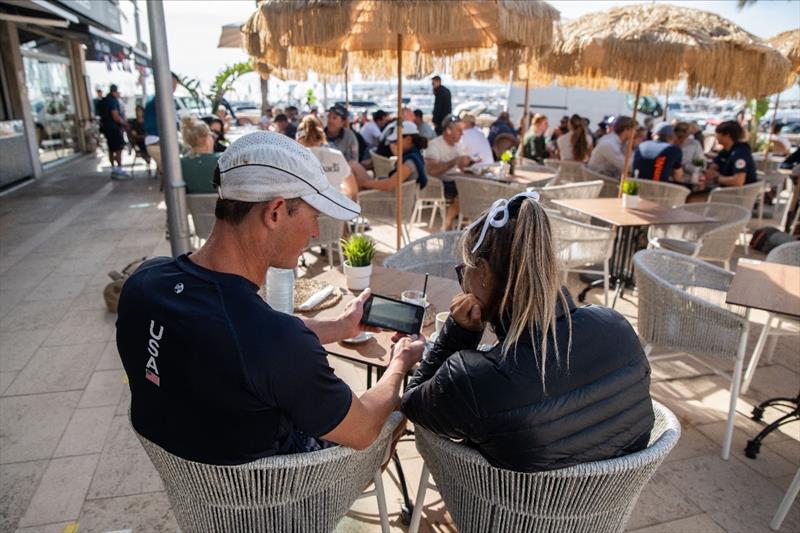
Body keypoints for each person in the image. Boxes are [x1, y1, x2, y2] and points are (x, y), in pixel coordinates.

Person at [116, 130, 425, 465]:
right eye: (314, 217)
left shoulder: (143, 285)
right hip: (276, 500)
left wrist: (339, 327)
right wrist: (399, 363)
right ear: (275, 211)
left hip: (192, 488)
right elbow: (363, 428)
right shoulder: (275, 342)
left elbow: (251, 337)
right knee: (393, 411)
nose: (315, 233)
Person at [400, 192, 654, 472]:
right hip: (607, 509)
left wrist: (458, 333)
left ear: (483, 272)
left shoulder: (471, 379)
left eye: (464, 272)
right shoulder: (617, 328)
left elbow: (413, 401)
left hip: (510, 512)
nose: (463, 285)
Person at [355, 120, 429, 195]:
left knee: (354, 167)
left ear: (408, 139)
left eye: (396, 141)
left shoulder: (409, 162)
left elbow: (389, 185)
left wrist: (364, 183)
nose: (394, 144)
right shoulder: (415, 156)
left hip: (393, 202)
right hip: (397, 198)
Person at [425, 115, 471, 230]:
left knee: (474, 189)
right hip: (438, 184)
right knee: (466, 191)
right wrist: (454, 161)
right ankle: (448, 223)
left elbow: (461, 168)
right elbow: (432, 171)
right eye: (459, 130)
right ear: (448, 130)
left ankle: (463, 223)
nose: (462, 134)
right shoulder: (435, 145)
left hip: (456, 181)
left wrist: (466, 163)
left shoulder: (458, 145)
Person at [295, 115, 356, 199]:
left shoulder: (294, 158)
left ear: (299, 138)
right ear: (321, 137)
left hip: (307, 208)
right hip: (334, 207)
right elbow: (352, 190)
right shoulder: (337, 155)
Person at [144, 72, 180, 175]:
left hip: (156, 139)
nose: (174, 88)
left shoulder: (156, 98)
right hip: (157, 140)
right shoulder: (161, 100)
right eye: (173, 85)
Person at [325, 104, 371, 185]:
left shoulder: (350, 137)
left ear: (343, 122)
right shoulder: (318, 134)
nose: (330, 120)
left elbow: (353, 161)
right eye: (329, 117)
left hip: (343, 177)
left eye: (334, 118)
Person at [704, 120, 757, 187]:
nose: (716, 136)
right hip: (724, 190)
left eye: (718, 133)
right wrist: (712, 169)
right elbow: (715, 165)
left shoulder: (740, 152)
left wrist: (716, 178)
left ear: (727, 135)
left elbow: (738, 181)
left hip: (738, 194)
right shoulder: (725, 151)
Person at [179, 116, 220, 194]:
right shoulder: (223, 160)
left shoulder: (180, 163)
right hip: (221, 205)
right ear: (207, 139)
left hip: (190, 205)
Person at [100, 84, 130, 179]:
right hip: (114, 128)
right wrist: (125, 123)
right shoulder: (113, 101)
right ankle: (119, 168)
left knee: (111, 149)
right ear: (115, 92)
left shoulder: (104, 101)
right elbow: (115, 116)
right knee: (118, 149)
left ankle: (113, 168)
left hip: (106, 128)